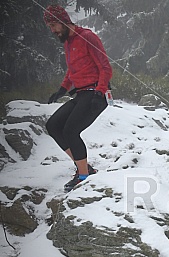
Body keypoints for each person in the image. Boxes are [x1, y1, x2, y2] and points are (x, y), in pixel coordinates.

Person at [44, 5, 112, 192]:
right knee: (53, 125)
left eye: (53, 25)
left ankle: (83, 176)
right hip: (81, 93)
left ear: (64, 21)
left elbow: (105, 67)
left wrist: (100, 91)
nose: (52, 30)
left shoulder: (87, 37)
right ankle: (84, 167)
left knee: (71, 131)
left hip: (95, 93)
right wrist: (62, 89)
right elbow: (72, 70)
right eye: (49, 27)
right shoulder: (67, 42)